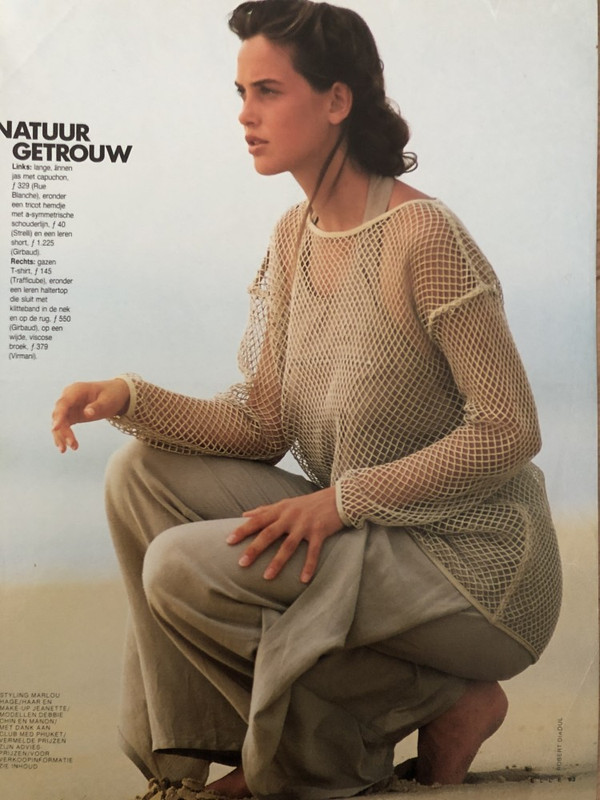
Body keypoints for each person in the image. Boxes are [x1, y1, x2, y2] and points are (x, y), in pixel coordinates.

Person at [51, 1, 562, 798]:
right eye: (241, 93)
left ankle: (406, 714)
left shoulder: (425, 238)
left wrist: (341, 501)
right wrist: (129, 397)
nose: (245, 115)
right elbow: (264, 423)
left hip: (474, 566)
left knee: (179, 567)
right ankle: (186, 767)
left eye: (268, 91)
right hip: (370, 535)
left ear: (337, 100)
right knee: (137, 477)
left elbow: (509, 429)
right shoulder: (294, 237)